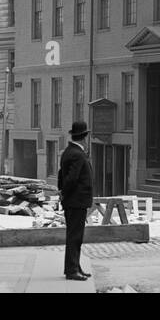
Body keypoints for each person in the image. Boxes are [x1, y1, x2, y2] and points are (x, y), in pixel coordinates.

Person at [58, 120, 94, 281]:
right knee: (75, 237)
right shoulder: (77, 155)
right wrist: (65, 194)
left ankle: (75, 267)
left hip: (73, 201)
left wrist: (62, 192)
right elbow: (71, 179)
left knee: (75, 236)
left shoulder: (68, 152)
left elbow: (61, 175)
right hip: (76, 202)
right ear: (84, 138)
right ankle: (72, 270)